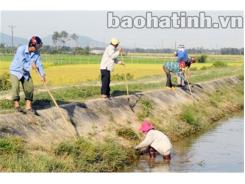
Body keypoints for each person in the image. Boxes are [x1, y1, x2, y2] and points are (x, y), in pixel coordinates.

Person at [9, 36, 46, 114]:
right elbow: (22, 64)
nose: (38, 48)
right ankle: (17, 105)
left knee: (30, 86)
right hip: (16, 71)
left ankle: (28, 106)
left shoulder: (37, 53)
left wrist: (42, 75)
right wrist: (31, 66)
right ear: (32, 45)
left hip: (25, 73)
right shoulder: (21, 49)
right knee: (15, 87)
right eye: (37, 46)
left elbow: (39, 64)